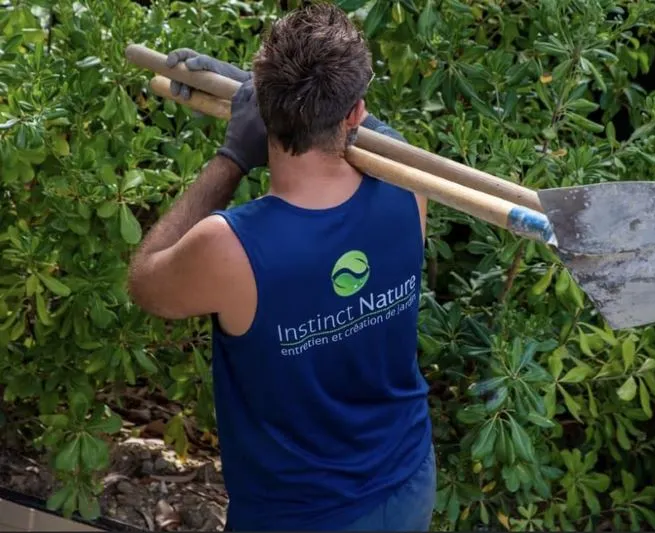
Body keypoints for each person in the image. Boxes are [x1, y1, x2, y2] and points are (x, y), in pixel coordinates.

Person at [126, 3, 434, 531]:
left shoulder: (232, 247)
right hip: (407, 482)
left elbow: (146, 281)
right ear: (355, 112)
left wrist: (232, 157)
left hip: (300, 516)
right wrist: (265, 94)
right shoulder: (412, 185)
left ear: (264, 108)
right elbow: (367, 128)